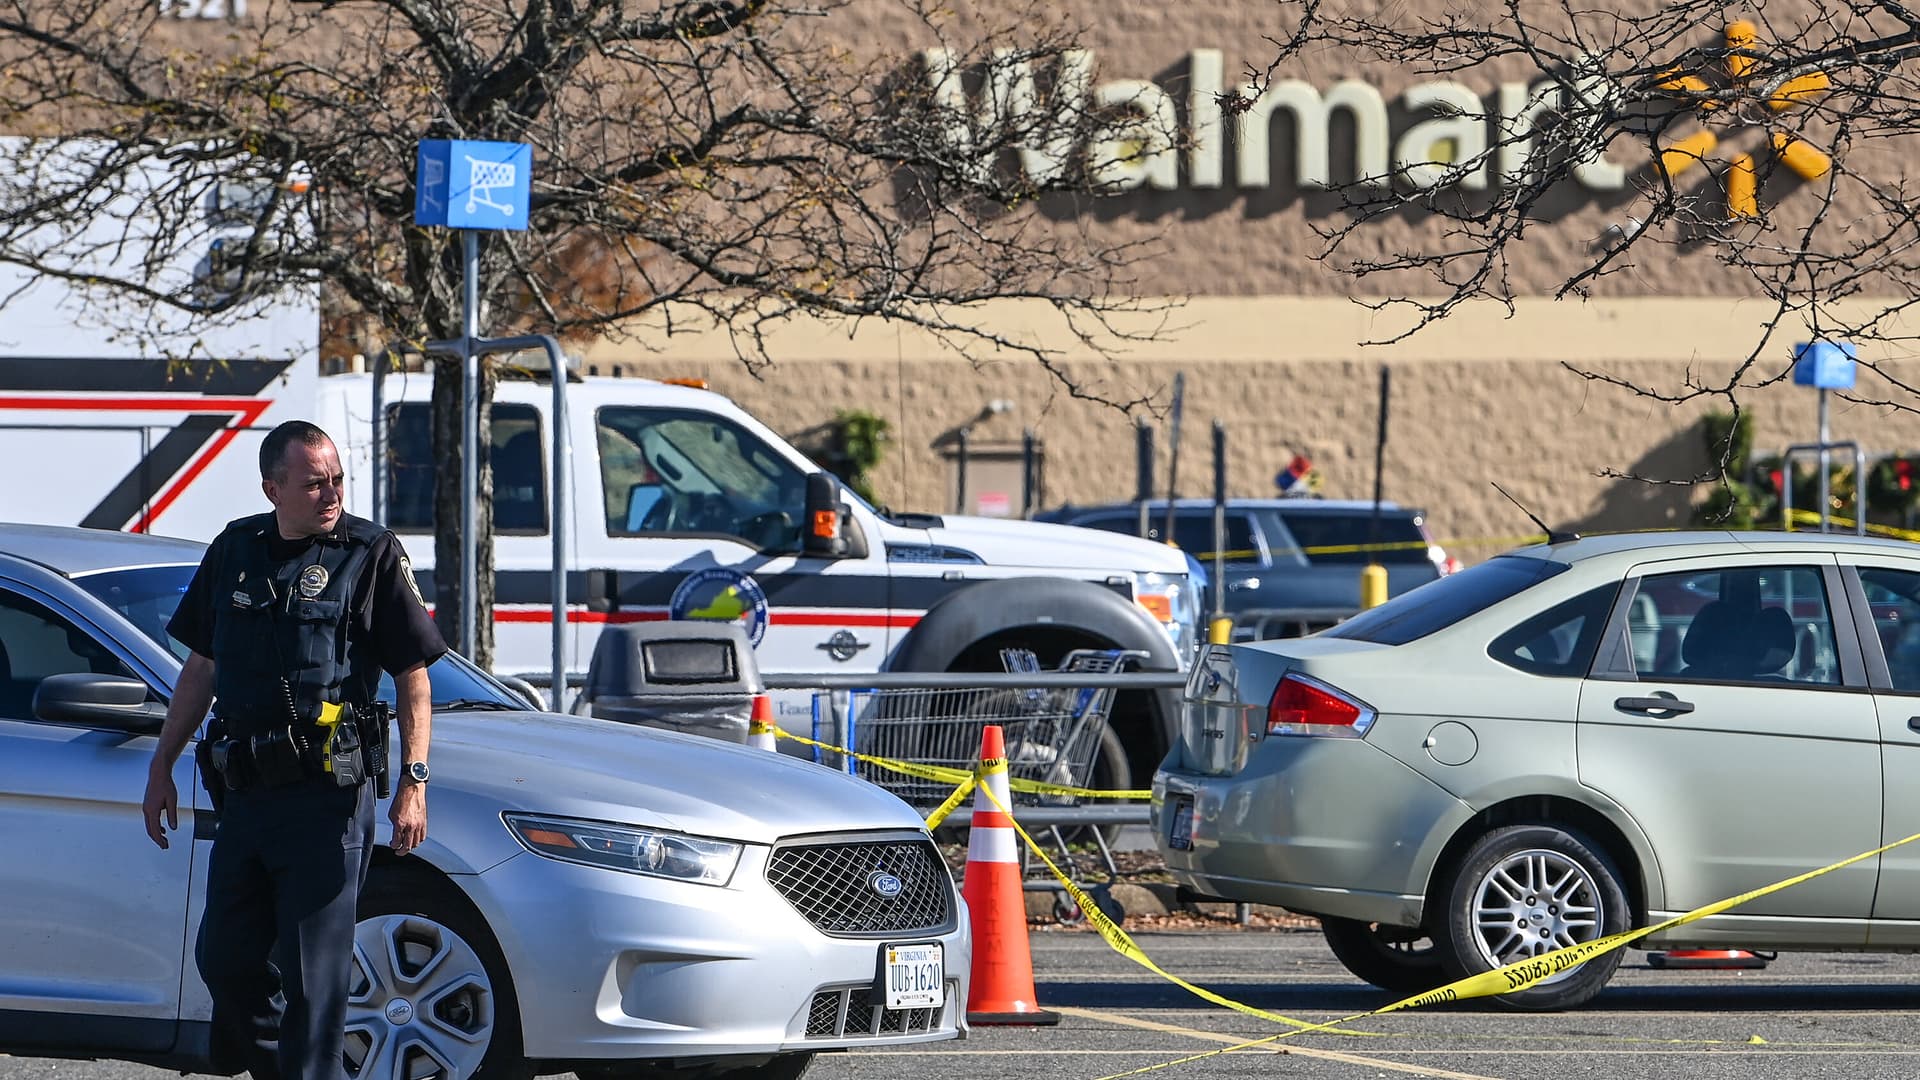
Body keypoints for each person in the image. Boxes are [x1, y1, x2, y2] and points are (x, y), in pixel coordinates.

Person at [141, 420, 446, 1080]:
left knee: (315, 985)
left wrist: (414, 781)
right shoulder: (235, 549)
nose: (331, 494)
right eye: (314, 484)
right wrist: (162, 762)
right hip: (247, 798)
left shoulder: (368, 553)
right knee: (225, 960)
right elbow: (202, 666)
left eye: (337, 480)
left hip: (326, 802)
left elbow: (413, 676)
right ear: (272, 489)